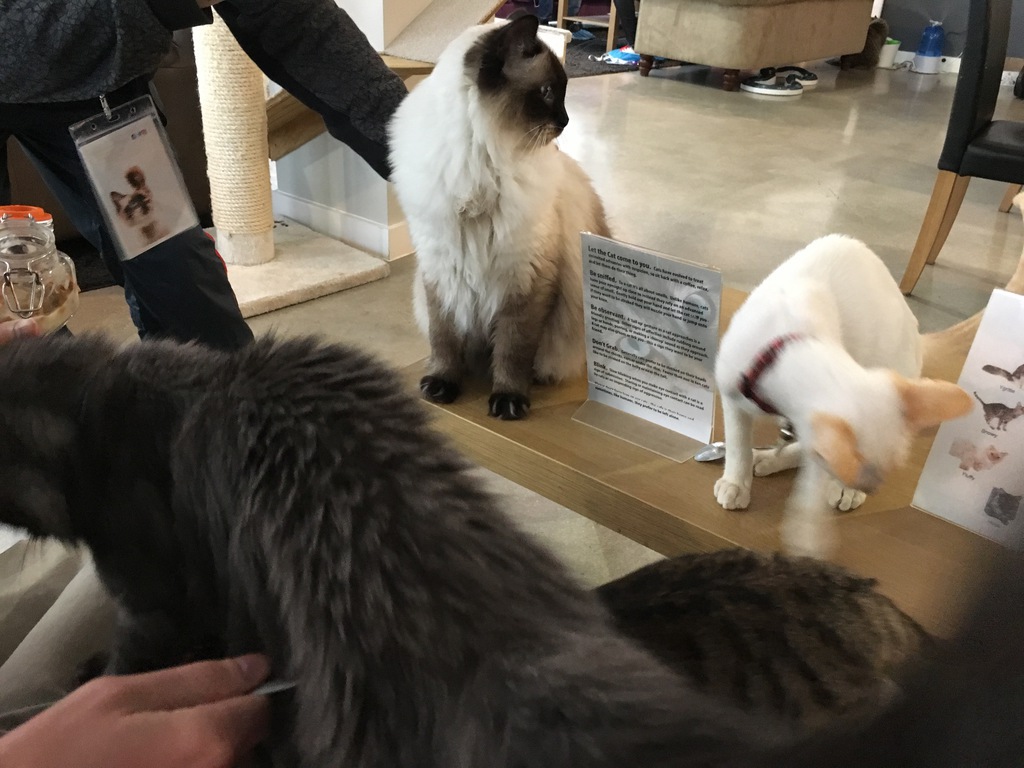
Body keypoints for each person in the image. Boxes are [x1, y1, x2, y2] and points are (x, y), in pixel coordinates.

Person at [0, 0, 408, 350]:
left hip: (100, 98)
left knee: (186, 290)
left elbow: (302, 27)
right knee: (22, 342)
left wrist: (420, 149)